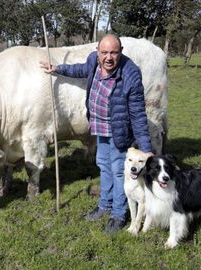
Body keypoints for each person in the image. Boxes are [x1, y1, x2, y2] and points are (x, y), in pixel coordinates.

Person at [40, 34, 153, 233]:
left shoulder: (130, 74)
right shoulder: (94, 61)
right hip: (99, 126)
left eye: (114, 53)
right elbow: (80, 69)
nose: (109, 57)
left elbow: (137, 113)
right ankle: (104, 206)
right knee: (103, 166)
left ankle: (119, 214)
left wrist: (146, 148)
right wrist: (58, 69)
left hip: (118, 130)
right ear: (98, 52)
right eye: (104, 52)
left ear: (121, 51)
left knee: (119, 171)